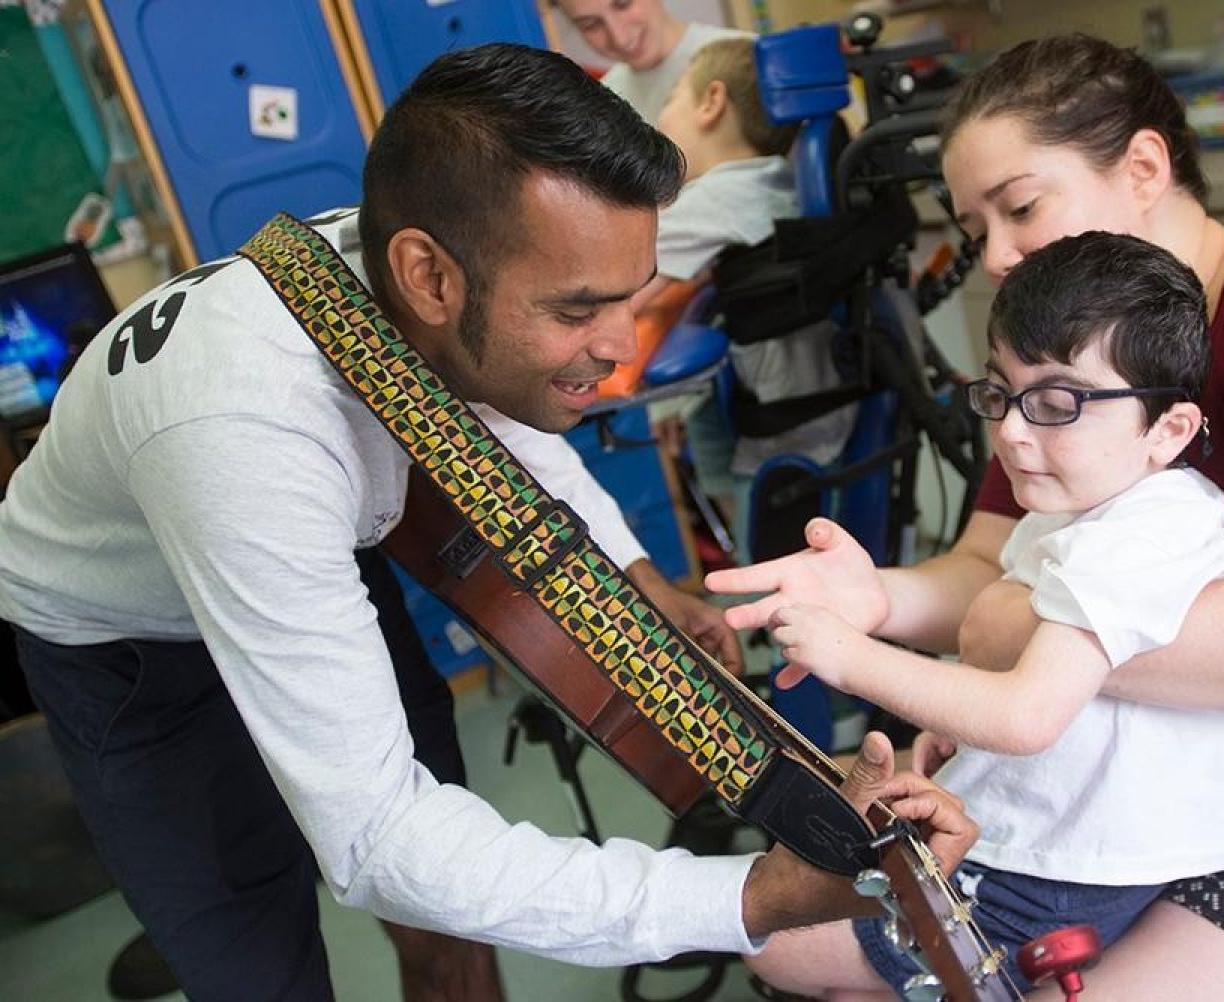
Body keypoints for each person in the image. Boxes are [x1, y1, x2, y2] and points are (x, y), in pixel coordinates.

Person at [0, 43, 976, 1001]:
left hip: (299, 543)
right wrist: (749, 897)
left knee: (444, 912)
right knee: (255, 952)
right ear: (427, 279)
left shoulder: (396, 272)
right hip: (126, 643)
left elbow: (505, 411)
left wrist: (638, 580)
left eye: (628, 300)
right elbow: (379, 841)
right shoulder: (244, 433)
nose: (618, 347)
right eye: (579, 310)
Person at [708, 32, 1224, 1002]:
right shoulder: (1070, 363)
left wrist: (1018, 629)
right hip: (1173, 763)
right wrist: (875, 597)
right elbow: (987, 572)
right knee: (812, 944)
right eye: (973, 224)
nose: (995, 255)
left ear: (1143, 168)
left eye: (1022, 207)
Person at [743, 230, 1224, 997]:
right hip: (1050, 832)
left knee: (773, 941)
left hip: (1073, 867)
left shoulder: (1148, 532)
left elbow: (1025, 714)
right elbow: (1010, 671)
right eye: (1001, 395)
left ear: (1170, 430)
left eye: (1057, 403)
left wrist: (852, 657)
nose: (1013, 432)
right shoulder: (1081, 498)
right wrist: (948, 729)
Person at [642, 37, 857, 532]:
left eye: (672, 96)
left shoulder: (721, 197)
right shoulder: (779, 179)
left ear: (711, 102)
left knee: (761, 571)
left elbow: (620, 287)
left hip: (784, 431)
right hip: (811, 404)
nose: (661, 116)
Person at [553, 0, 748, 122]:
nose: (620, 38)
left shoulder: (744, 57)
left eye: (623, 4)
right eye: (591, 25)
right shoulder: (603, 101)